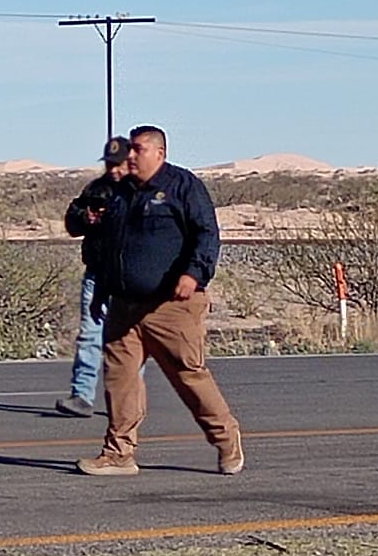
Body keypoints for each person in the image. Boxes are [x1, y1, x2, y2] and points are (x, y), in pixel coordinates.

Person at [78, 125, 244, 476]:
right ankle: (119, 453)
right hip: (124, 305)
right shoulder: (119, 191)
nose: (130, 155)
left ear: (159, 153)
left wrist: (193, 274)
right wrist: (102, 289)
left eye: (138, 149)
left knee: (188, 375)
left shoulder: (182, 186)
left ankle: (226, 439)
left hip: (171, 305)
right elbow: (108, 244)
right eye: (129, 149)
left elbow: (206, 234)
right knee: (120, 378)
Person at [54, 136, 131, 418]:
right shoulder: (95, 189)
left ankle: (127, 401)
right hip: (97, 275)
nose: (114, 170)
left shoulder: (139, 192)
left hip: (127, 279)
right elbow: (72, 222)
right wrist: (86, 219)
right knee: (90, 335)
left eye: (119, 164)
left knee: (127, 343)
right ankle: (82, 395)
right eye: (110, 164)